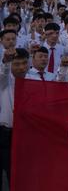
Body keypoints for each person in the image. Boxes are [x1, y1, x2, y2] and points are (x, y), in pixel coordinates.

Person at [0, 47, 30, 189]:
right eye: (17, 64)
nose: (21, 67)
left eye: (24, 63)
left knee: (20, 174)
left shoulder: (33, 81)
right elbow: (3, 74)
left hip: (25, 133)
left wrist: (63, 68)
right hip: (5, 134)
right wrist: (6, 61)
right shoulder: (4, 83)